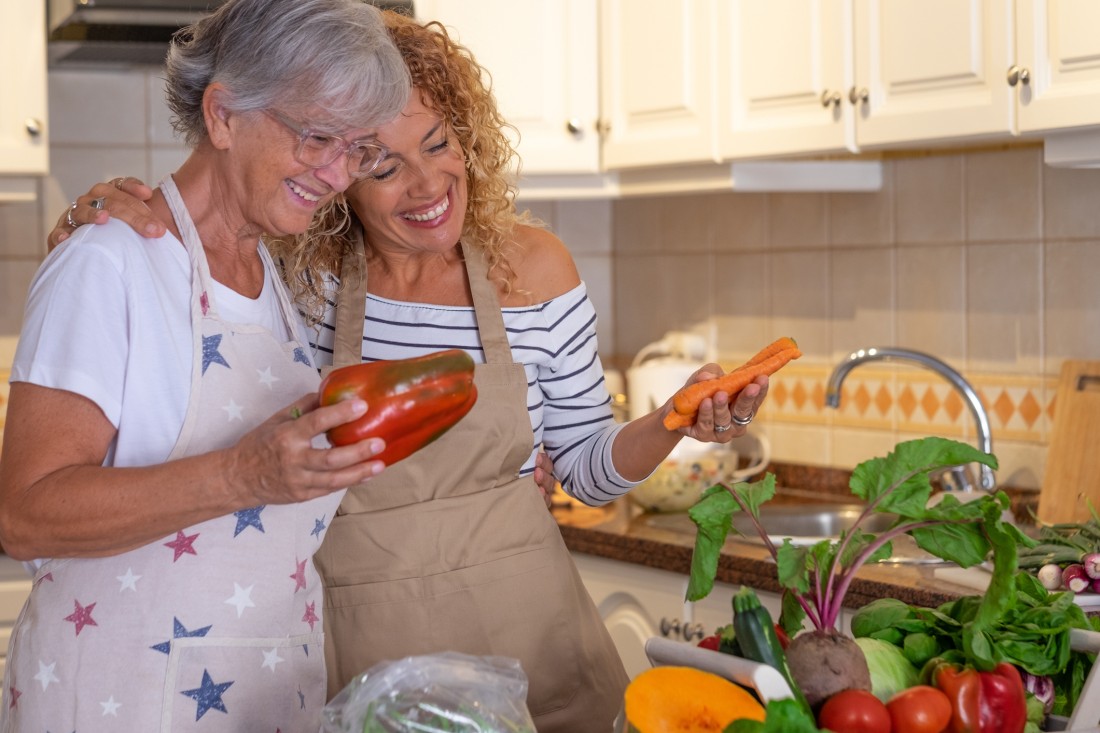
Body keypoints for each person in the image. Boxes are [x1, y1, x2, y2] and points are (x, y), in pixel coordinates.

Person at [48, 11, 770, 732]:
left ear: (466, 136)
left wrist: (674, 419)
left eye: (438, 144)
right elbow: (205, 241)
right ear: (341, 182)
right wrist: (100, 214)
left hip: (536, 648)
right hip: (369, 661)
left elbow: (584, 466)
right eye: (381, 165)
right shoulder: (302, 278)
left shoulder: (537, 267)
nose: (427, 184)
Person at [0, 1, 412, 730]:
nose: (336, 173)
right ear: (222, 116)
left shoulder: (272, 276)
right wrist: (239, 475)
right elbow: (23, 514)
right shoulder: (108, 263)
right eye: (318, 136)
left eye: (355, 149)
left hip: (264, 700)